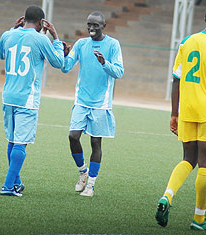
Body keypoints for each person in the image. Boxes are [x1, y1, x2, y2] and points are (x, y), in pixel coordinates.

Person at [155, 5, 206, 232]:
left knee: (188, 159)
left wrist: (174, 113)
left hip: (187, 111)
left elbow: (175, 80)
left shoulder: (186, 42)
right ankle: (199, 219)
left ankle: (167, 196)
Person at [0, 5, 64, 196]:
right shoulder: (41, 39)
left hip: (8, 96)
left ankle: (16, 182)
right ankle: (8, 186)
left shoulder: (8, 35)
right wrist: (56, 39)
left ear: (22, 19)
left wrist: (12, 28)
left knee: (12, 140)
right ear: (42, 23)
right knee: (20, 143)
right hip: (27, 98)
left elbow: (1, 54)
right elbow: (58, 62)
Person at [61, 11, 124, 197]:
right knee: (73, 137)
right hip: (81, 100)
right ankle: (83, 172)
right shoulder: (81, 44)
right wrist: (65, 55)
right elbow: (65, 68)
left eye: (96, 25)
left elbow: (119, 72)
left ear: (104, 26)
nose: (91, 28)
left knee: (95, 142)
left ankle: (91, 185)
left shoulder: (113, 45)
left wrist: (105, 63)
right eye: (89, 24)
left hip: (101, 103)